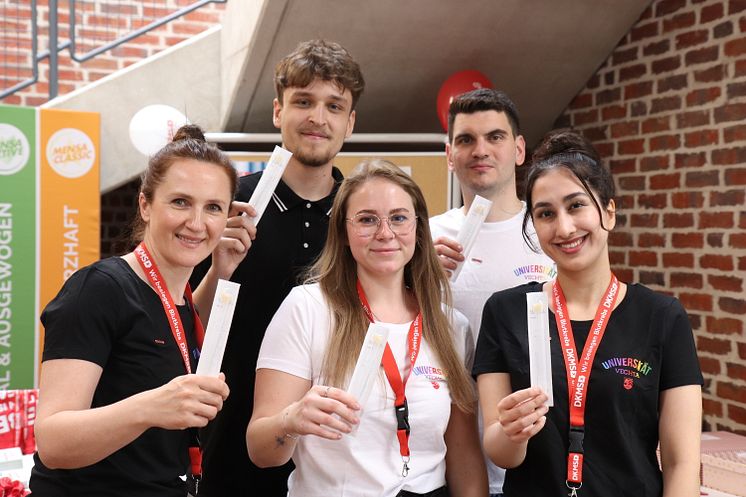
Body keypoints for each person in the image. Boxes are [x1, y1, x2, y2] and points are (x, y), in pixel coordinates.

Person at [473, 130, 703, 497]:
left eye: (576, 205)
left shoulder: (662, 316)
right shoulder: (506, 312)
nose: (564, 227)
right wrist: (512, 432)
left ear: (608, 212)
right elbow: (501, 453)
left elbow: (682, 461)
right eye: (546, 213)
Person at [247, 160, 487, 497]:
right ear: (343, 232)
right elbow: (261, 450)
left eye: (399, 218)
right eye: (367, 219)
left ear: (418, 230)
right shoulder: (307, 308)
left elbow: (464, 453)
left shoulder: (451, 325)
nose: (385, 233)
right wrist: (291, 420)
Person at [190, 39, 365, 496]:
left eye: (334, 106)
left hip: (337, 445)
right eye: (303, 102)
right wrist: (219, 271)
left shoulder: (365, 217)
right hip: (229, 440)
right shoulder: (227, 206)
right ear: (277, 111)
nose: (317, 118)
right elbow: (185, 326)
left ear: (350, 122)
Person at [29, 125, 237, 497]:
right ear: (145, 204)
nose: (196, 222)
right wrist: (152, 406)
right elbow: (53, 441)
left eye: (213, 208)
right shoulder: (99, 288)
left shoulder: (181, 297)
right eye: (180, 202)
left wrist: (221, 270)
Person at [429, 88, 555, 496]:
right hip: (443, 463)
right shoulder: (420, 240)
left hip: (540, 457)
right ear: (450, 156)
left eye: (495, 137)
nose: (480, 150)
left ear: (519, 149)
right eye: (466, 140)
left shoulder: (552, 235)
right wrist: (416, 280)